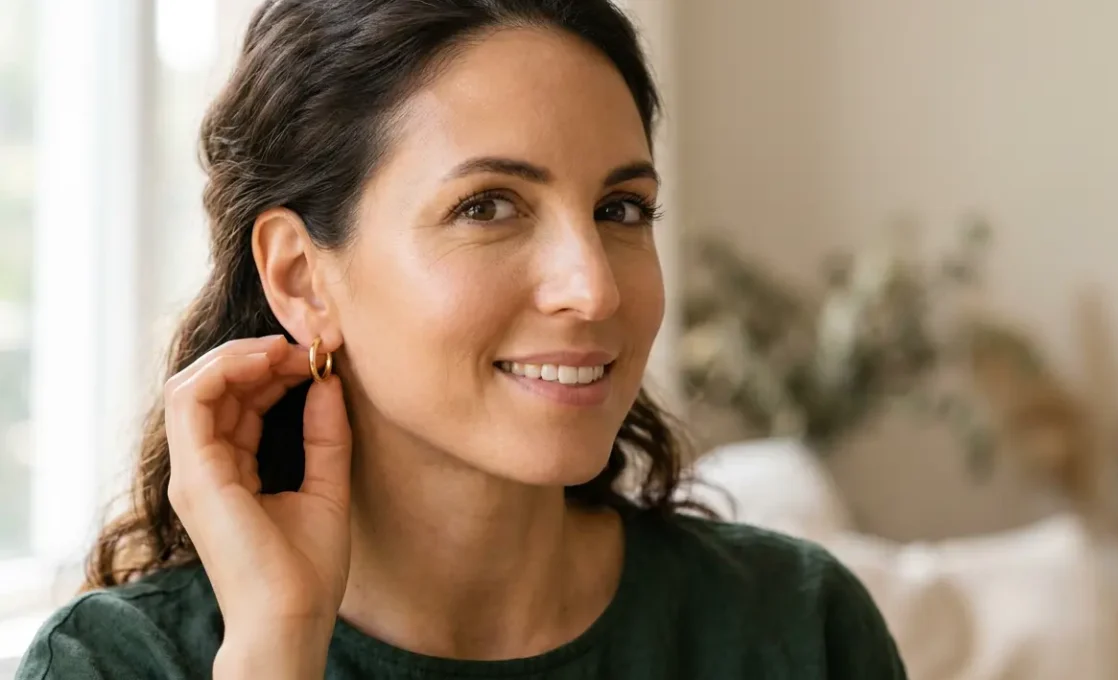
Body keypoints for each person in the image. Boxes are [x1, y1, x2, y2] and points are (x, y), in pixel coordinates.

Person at [17, 1, 908, 677]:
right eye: (488, 207)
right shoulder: (113, 663)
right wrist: (279, 646)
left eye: (620, 209)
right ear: (299, 277)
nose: (593, 285)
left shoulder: (798, 630)